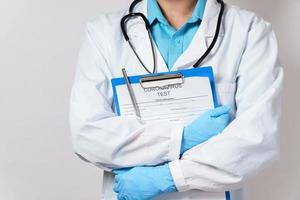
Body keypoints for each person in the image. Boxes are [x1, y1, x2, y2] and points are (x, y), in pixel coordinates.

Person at [69, 0, 283, 199]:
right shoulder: (103, 34)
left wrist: (167, 177)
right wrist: (181, 138)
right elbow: (88, 134)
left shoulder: (249, 31)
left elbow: (255, 139)